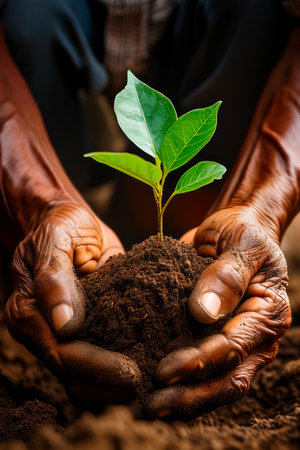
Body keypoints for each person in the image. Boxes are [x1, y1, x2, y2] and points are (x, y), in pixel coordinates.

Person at [0, 0, 299, 416]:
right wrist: (42, 202)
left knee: (257, 12)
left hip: (212, 36)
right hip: (49, 62)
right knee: (29, 20)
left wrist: (259, 205)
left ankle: (161, 217)